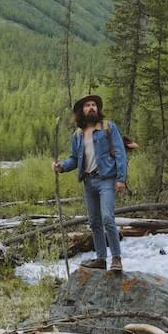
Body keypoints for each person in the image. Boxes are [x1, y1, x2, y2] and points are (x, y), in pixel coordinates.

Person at [53, 93, 128, 272]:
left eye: (94, 105)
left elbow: (120, 153)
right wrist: (61, 167)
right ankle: (101, 259)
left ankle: (116, 259)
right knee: (94, 222)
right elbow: (75, 158)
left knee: (108, 218)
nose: (91, 107)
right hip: (88, 182)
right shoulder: (77, 135)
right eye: (87, 105)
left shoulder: (108, 127)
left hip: (106, 180)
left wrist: (121, 179)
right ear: (81, 111)